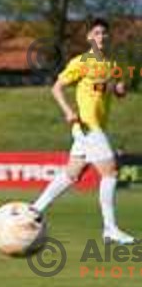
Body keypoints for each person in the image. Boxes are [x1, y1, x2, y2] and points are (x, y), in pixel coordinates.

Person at [31, 18, 136, 244]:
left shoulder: (111, 66)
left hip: (96, 126)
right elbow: (57, 88)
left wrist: (119, 90)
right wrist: (68, 111)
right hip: (88, 125)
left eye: (105, 33)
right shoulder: (82, 61)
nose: (102, 37)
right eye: (97, 33)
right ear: (89, 37)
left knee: (72, 174)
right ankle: (110, 228)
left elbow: (111, 90)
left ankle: (35, 209)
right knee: (110, 172)